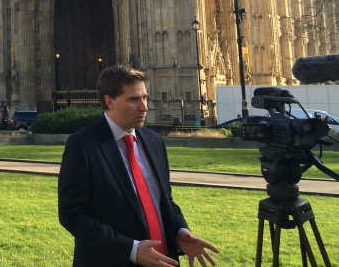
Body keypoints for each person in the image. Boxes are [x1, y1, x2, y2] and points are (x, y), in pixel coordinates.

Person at [58, 65, 219, 267]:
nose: (144, 107)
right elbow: (72, 214)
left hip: (163, 260)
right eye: (134, 100)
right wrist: (130, 250)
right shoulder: (83, 144)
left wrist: (180, 231)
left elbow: (164, 200)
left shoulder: (154, 142)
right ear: (110, 102)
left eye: (145, 98)